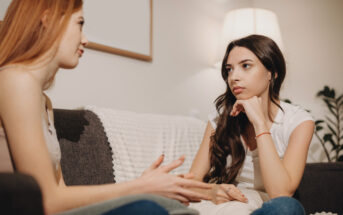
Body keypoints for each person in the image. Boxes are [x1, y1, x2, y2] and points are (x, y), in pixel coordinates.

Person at [0, 0, 211, 214]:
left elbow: (60, 192)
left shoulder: (44, 102)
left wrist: (144, 188)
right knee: (147, 207)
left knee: (176, 208)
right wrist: (140, 188)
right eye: (80, 23)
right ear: (48, 21)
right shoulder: (15, 80)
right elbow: (47, 201)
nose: (85, 39)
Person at [188, 34, 314, 215]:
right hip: (224, 208)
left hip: (264, 209)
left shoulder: (299, 122)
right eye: (229, 69)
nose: (234, 77)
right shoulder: (219, 119)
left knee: (288, 207)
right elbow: (191, 184)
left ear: (272, 72)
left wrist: (259, 124)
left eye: (246, 66)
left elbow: (281, 193)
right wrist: (211, 191)